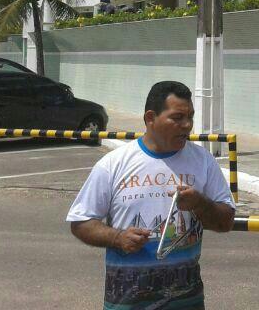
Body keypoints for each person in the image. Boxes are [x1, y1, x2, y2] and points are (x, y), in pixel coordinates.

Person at [67, 81, 235, 310]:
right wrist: (118, 238)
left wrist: (200, 204)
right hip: (126, 304)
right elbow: (80, 222)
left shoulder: (203, 161)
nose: (187, 125)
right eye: (177, 117)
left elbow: (226, 221)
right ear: (150, 118)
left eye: (190, 117)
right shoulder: (113, 164)